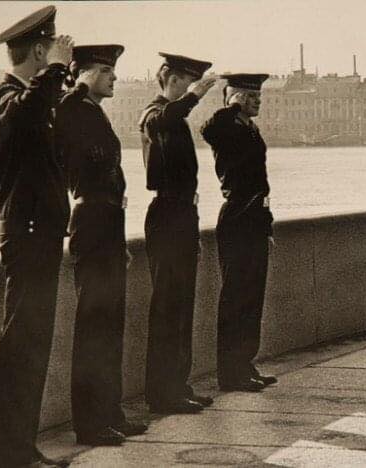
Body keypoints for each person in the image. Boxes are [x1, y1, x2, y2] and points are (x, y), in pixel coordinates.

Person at [0, 6, 72, 467]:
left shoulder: (33, 101)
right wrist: (56, 68)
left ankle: (22, 450)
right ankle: (9, 455)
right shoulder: (5, 99)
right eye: (51, 51)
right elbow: (25, 116)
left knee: (34, 345)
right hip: (27, 235)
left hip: (42, 234)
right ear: (40, 49)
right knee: (21, 344)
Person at [55, 44, 147, 446]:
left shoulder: (95, 113)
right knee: (94, 327)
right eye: (106, 70)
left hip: (108, 225)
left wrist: (119, 239)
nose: (114, 77)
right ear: (83, 73)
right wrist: (71, 78)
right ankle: (89, 424)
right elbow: (58, 107)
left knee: (111, 326)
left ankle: (110, 412)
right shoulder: (72, 109)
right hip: (91, 224)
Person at [138, 53, 217, 414]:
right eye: (187, 80)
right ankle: (162, 393)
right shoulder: (156, 114)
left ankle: (178, 386)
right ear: (169, 77)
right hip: (167, 215)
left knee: (182, 307)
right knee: (168, 308)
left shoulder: (174, 119)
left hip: (182, 214)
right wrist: (195, 97)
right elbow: (169, 116)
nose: (191, 86)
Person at [201, 74, 278, 392]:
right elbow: (208, 130)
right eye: (248, 95)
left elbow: (261, 182)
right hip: (236, 217)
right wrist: (228, 107)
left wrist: (266, 223)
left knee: (252, 297)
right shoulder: (226, 127)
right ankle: (230, 373)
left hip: (256, 217)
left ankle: (245, 364)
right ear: (232, 97)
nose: (256, 100)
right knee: (236, 297)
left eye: (257, 95)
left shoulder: (249, 128)